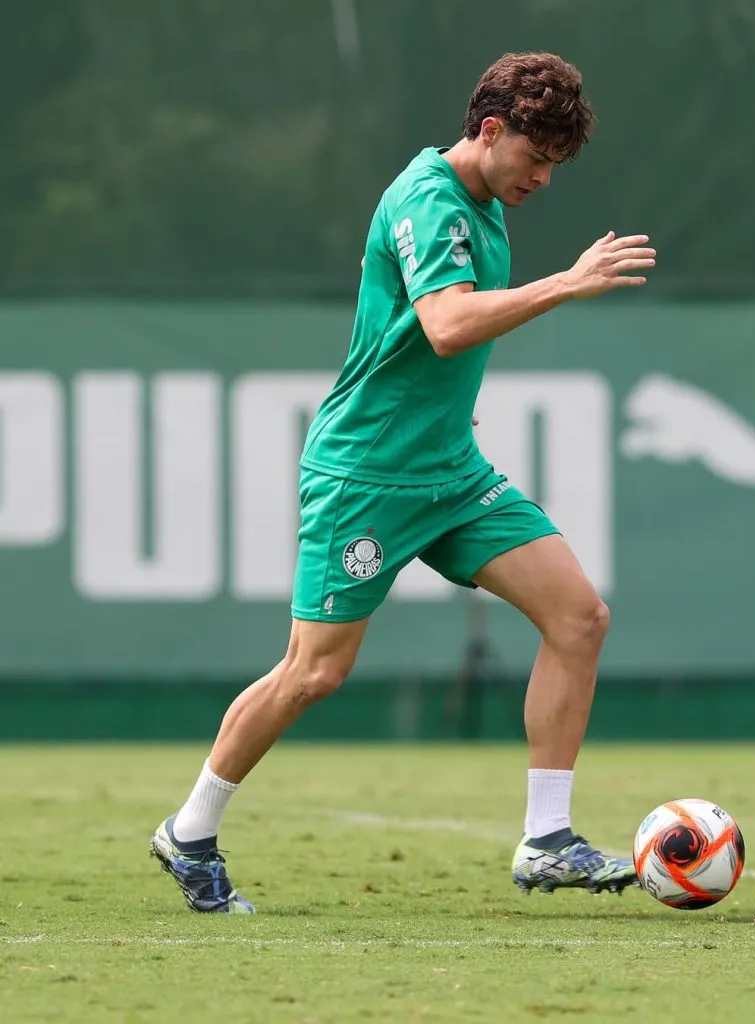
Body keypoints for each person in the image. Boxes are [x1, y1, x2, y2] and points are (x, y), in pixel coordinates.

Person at [150, 51, 655, 913]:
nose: (542, 177)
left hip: (449, 473)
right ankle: (189, 829)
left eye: (554, 166)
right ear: (488, 130)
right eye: (534, 157)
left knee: (579, 616)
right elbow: (449, 324)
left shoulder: (489, 201)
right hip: (367, 475)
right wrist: (565, 284)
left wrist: (447, 415)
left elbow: (429, 346)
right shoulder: (429, 197)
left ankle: (547, 840)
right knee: (312, 673)